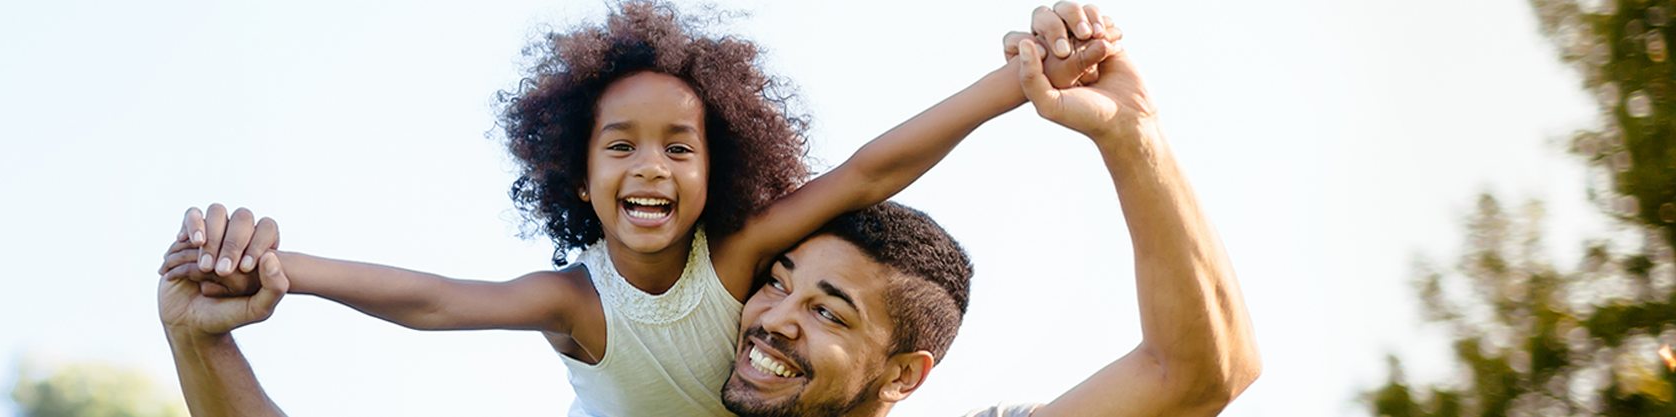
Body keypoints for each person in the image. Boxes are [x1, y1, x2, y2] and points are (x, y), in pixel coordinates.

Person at [159, 3, 1261, 416]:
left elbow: (1200, 372)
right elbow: (439, 302)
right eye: (779, 283)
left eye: (829, 310)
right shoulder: (596, 312)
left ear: (903, 377)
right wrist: (205, 339)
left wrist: (1121, 132)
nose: (770, 311)